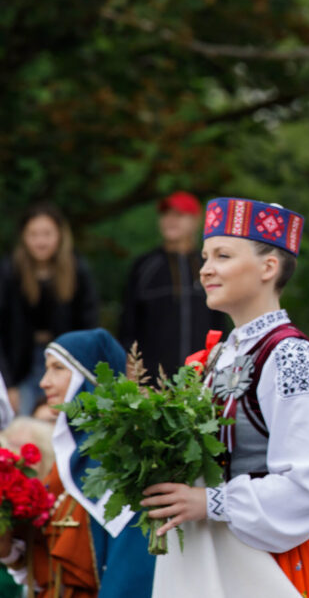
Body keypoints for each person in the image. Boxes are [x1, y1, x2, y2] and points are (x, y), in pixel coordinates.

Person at [139, 197, 309, 598]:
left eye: (222, 255)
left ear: (268, 267)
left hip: (271, 563)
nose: (205, 269)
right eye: (205, 256)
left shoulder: (292, 355)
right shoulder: (223, 353)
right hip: (215, 557)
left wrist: (210, 502)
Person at [0, 329, 155, 597]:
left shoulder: (126, 461)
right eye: (46, 369)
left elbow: (132, 568)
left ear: (91, 376)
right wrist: (10, 551)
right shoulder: (63, 465)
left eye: (58, 368)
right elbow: (45, 571)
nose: (44, 382)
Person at [0, 203, 99, 415]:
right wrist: (7, 385)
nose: (40, 241)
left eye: (47, 234)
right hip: (19, 367)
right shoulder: (10, 273)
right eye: (33, 234)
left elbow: (88, 328)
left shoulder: (77, 271)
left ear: (60, 236)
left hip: (64, 364)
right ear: (23, 237)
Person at [119, 191, 227, 375]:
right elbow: (128, 324)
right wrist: (131, 366)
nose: (170, 220)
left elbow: (220, 323)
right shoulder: (145, 266)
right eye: (166, 214)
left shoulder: (210, 266)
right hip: (153, 381)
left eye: (179, 215)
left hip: (201, 380)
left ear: (196, 220)